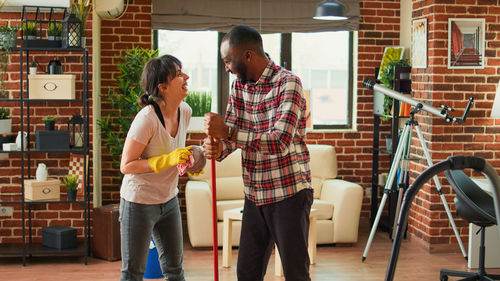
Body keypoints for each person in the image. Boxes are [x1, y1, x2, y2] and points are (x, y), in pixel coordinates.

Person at [203, 25, 313, 281]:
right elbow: (232, 132)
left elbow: (279, 142)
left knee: (296, 273)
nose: (227, 68)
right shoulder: (239, 87)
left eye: (228, 61)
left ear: (249, 56)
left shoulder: (289, 84)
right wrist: (219, 147)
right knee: (247, 273)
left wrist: (228, 134)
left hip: (289, 193)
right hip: (254, 194)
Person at [119, 54, 203, 281]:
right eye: (178, 75)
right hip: (138, 202)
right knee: (133, 273)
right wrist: (167, 160)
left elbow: (176, 151)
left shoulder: (184, 111)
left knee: (175, 269)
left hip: (168, 199)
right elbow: (126, 165)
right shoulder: (146, 119)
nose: (186, 77)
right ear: (163, 87)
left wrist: (189, 159)